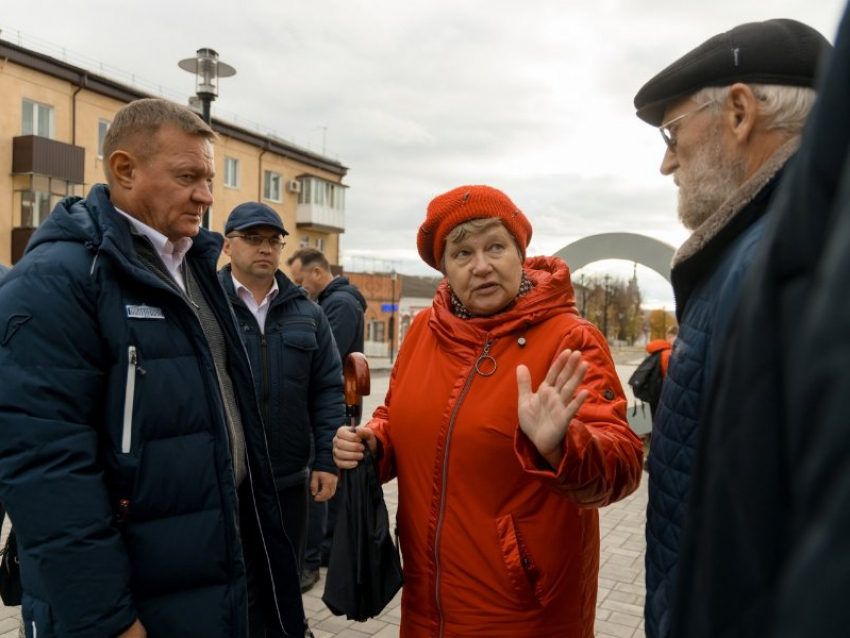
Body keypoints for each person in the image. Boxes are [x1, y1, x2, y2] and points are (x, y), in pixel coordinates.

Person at [0, 98, 308, 637]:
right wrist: (108, 621)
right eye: (189, 176)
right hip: (129, 595)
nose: (207, 196)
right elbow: (46, 473)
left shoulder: (193, 269)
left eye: (210, 178)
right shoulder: (56, 281)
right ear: (124, 169)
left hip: (210, 566)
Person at [333, 185, 643, 637]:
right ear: (445, 270)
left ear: (520, 254)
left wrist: (561, 447)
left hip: (523, 610)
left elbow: (624, 463)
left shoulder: (569, 339)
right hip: (425, 600)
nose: (481, 266)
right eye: (461, 253)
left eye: (495, 246)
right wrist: (374, 442)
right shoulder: (424, 330)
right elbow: (398, 416)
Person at [632, 19, 832, 638]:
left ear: (740, 111)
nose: (667, 162)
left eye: (673, 132)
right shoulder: (768, 251)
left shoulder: (783, 264)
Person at [219, 203, 345, 594]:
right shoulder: (205, 307)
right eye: (253, 239)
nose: (265, 248)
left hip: (288, 477)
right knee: (232, 583)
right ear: (228, 245)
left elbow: (327, 389)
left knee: (283, 582)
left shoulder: (307, 313)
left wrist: (326, 459)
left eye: (273, 241)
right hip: (227, 477)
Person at [286, 247, 367, 593]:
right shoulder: (333, 301)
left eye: (300, 280)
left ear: (318, 273)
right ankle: (325, 552)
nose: (299, 287)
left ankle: (314, 559)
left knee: (321, 480)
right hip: (337, 404)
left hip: (336, 405)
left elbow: (323, 354)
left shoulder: (340, 304)